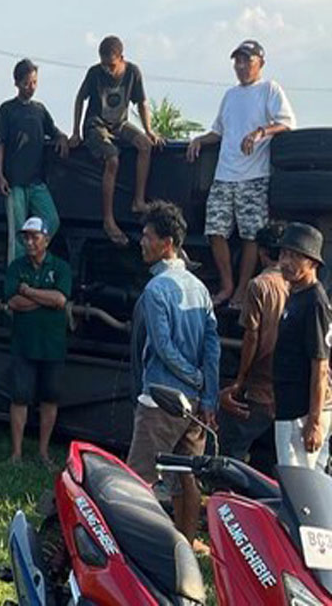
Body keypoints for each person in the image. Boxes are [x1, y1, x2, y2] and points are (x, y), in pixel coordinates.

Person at [126, 201, 220, 544]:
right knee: (187, 477)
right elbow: (213, 348)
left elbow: (163, 348)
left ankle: (137, 542)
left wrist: (191, 378)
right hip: (193, 406)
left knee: (139, 477)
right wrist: (207, 395)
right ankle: (186, 541)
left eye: (147, 236)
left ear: (167, 243)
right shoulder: (200, 289)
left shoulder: (156, 290)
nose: (141, 241)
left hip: (160, 401)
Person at [187, 40, 295, 308]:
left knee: (251, 235)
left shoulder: (270, 89)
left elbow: (287, 123)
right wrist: (200, 139)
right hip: (225, 174)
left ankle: (243, 289)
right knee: (215, 230)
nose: (241, 66)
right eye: (238, 61)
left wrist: (260, 132)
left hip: (254, 175)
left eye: (247, 60)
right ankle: (227, 285)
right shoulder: (230, 95)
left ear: (260, 63)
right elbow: (219, 131)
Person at [69, 35, 164, 246]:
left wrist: (149, 130)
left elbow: (141, 102)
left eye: (111, 65)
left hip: (119, 124)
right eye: (104, 64)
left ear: (121, 58)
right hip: (96, 124)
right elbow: (79, 99)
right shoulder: (94, 73)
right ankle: (108, 220)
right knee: (113, 158)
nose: (107, 69)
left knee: (145, 146)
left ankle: (138, 201)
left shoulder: (132, 72)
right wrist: (76, 132)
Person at [4, 217, 72, 466]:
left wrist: (29, 292)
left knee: (50, 398)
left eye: (34, 237)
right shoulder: (16, 267)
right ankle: (17, 453)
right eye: (26, 237)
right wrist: (45, 299)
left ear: (47, 239)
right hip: (23, 344)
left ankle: (43, 453)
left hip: (52, 346)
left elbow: (60, 300)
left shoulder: (61, 268)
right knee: (19, 397)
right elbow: (12, 302)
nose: (29, 242)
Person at [217, 223, 288, 462]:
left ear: (261, 252)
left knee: (230, 452)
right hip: (285, 388)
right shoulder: (298, 285)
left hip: (259, 385)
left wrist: (240, 380)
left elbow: (252, 336)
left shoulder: (259, 285)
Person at [0, 58, 70, 262]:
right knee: (17, 233)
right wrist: (0, 175)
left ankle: (34, 254)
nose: (31, 87)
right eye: (27, 83)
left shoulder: (39, 109)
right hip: (15, 183)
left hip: (37, 181)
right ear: (17, 83)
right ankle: (16, 280)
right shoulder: (7, 109)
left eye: (34, 82)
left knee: (51, 220)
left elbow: (54, 131)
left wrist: (62, 138)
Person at [271, 222, 331, 470]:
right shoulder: (296, 295)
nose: (287, 262)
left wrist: (314, 422)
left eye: (296, 256)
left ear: (313, 263)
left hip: (302, 413)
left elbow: (320, 364)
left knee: (299, 484)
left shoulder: (314, 301)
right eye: (284, 254)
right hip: (290, 406)